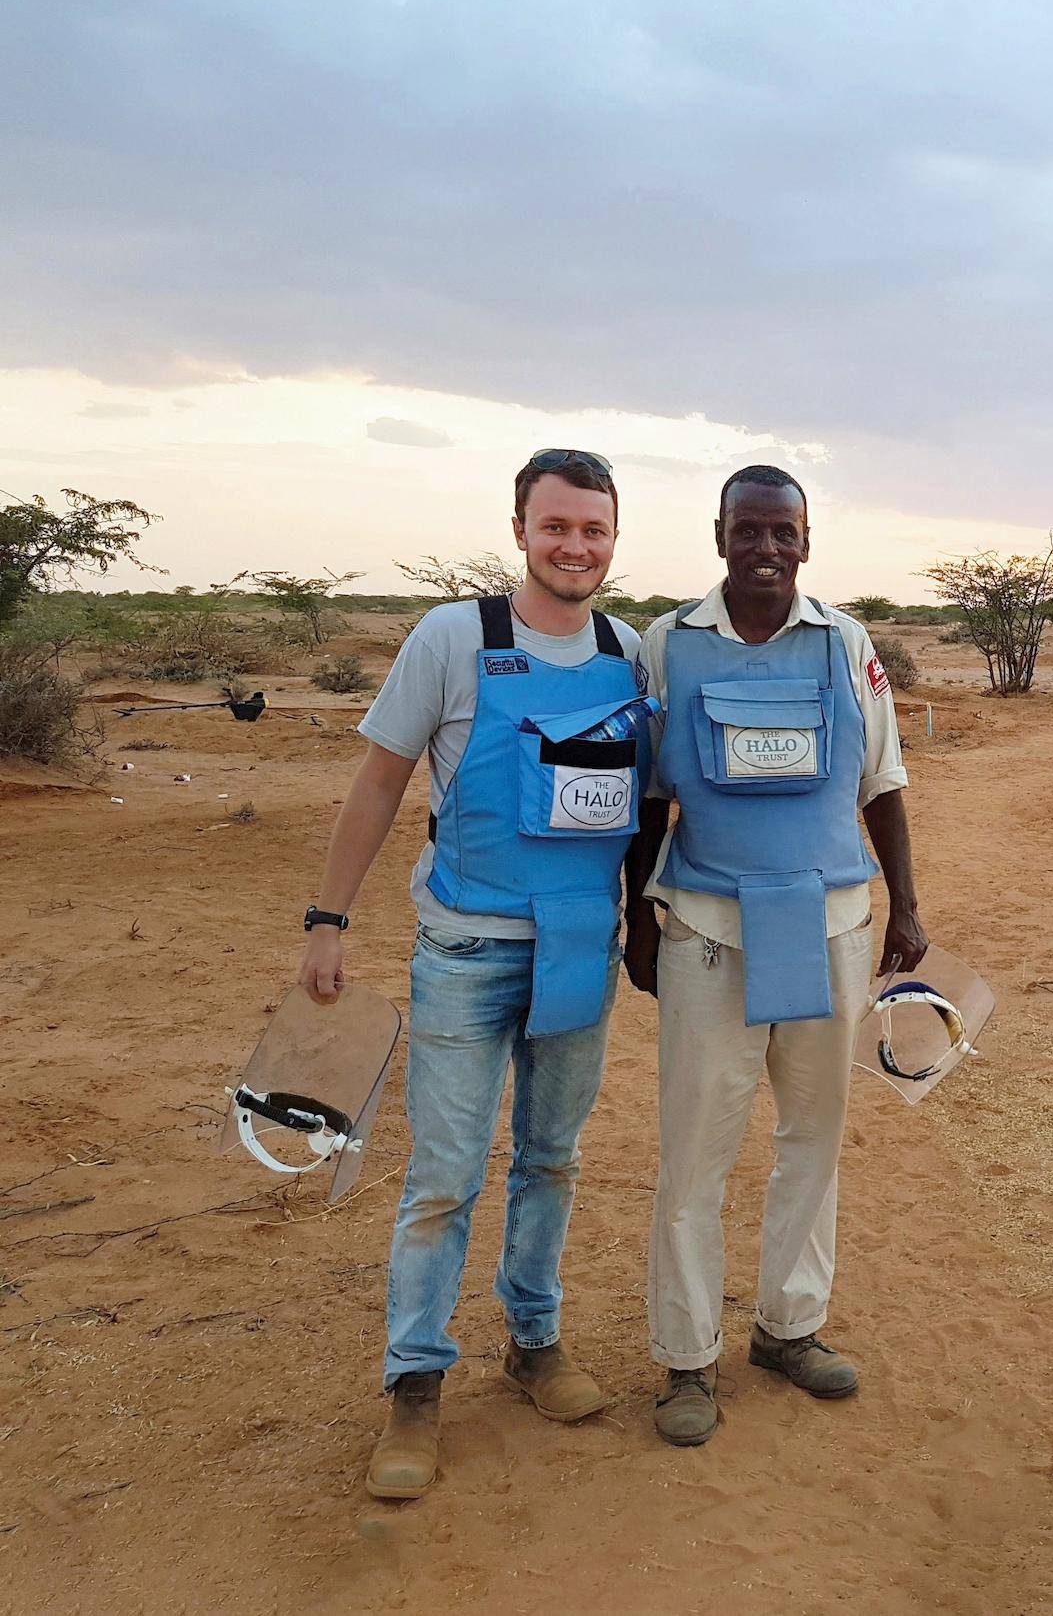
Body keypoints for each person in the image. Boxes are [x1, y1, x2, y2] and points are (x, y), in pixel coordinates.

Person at [296, 449, 650, 1500]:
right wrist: (328, 917)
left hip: (580, 943)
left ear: (613, 537)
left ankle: (534, 1342)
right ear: (520, 528)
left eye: (594, 528)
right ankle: (414, 1382)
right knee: (444, 1173)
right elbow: (378, 782)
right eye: (557, 526)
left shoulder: (630, 650)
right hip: (465, 948)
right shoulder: (455, 638)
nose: (575, 546)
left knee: (552, 1158)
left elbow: (645, 806)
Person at [623, 463, 926, 1448]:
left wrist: (907, 906)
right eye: (746, 531)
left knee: (813, 1137)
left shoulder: (845, 644)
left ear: (806, 540)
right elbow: (649, 795)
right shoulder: (671, 643)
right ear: (719, 536)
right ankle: (686, 1357)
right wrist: (637, 912)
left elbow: (882, 779)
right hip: (708, 929)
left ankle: (789, 1326)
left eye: (782, 533)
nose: (764, 550)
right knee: (695, 1153)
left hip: (830, 924)